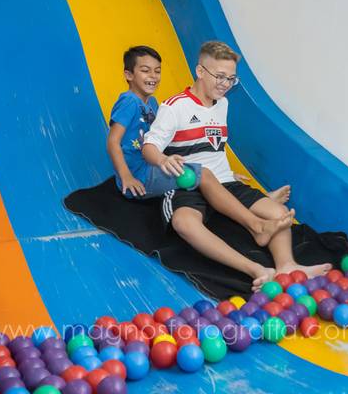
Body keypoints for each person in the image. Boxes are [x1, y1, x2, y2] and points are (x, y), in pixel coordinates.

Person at [142, 41, 332, 289]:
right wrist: (163, 159)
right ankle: (256, 269)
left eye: (231, 79)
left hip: (224, 183)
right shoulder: (174, 107)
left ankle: (287, 265)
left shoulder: (223, 103)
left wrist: (229, 173)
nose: (225, 84)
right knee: (184, 223)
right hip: (187, 184)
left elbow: (212, 147)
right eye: (220, 76)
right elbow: (149, 146)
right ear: (200, 71)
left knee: (279, 214)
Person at [107, 45, 292, 248]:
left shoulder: (151, 103)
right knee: (202, 176)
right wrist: (126, 176)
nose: (153, 76)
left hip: (149, 168)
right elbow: (114, 141)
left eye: (157, 71)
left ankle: (255, 201)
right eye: (145, 70)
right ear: (128, 74)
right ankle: (255, 222)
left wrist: (226, 174)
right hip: (140, 175)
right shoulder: (130, 101)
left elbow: (169, 144)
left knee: (204, 178)